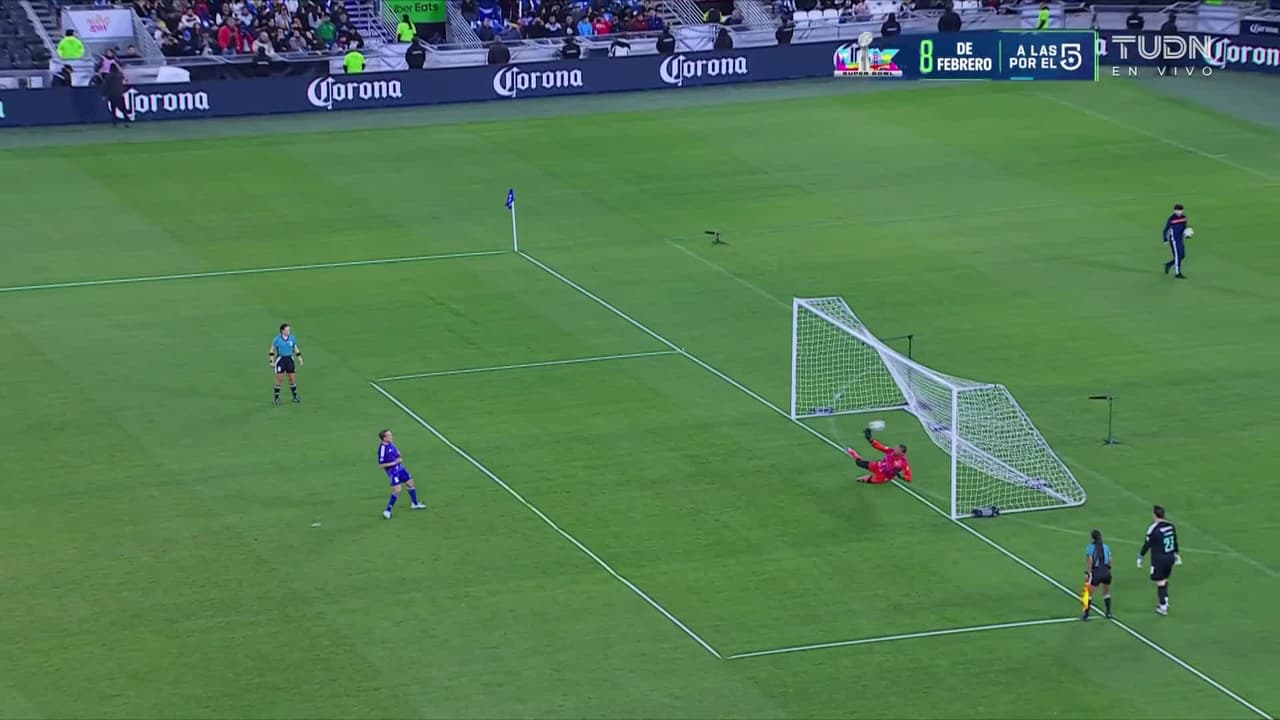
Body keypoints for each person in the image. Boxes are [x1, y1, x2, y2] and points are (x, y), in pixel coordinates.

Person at [1137, 505, 1181, 616]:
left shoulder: (1154, 529)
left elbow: (1147, 544)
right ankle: (1165, 601)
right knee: (1164, 579)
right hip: (1170, 557)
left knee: (1160, 582)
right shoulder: (1171, 526)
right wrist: (1176, 554)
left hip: (1159, 560)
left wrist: (1141, 556)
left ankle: (1163, 607)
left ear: (1154, 515)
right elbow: (1175, 541)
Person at [377, 429, 427, 519]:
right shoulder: (382, 449)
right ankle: (388, 511)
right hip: (393, 472)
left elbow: (398, 454)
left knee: (411, 483)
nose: (391, 436)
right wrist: (393, 463)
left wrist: (399, 458)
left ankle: (415, 504)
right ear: (384, 438)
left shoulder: (391, 444)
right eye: (389, 435)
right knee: (397, 490)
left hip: (400, 468)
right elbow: (381, 465)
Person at [846, 426, 912, 484]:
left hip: (884, 476)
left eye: (897, 450)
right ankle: (854, 453)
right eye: (896, 448)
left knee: (866, 481)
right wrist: (870, 439)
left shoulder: (903, 462)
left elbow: (909, 477)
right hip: (879, 466)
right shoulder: (891, 451)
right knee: (859, 463)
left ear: (902, 453)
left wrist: (902, 477)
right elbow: (880, 446)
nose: (895, 450)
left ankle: (864, 479)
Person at [1082, 529, 1113, 621]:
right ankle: (1108, 612)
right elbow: (1110, 559)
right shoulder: (1105, 546)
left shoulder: (1090, 547)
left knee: (1088, 593)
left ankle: (1086, 615)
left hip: (1096, 572)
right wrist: (1108, 569)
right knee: (1106, 593)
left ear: (1092, 538)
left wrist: (1088, 573)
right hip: (1106, 571)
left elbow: (1090, 560)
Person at [268, 323, 303, 405]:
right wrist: (271, 361)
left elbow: (295, 348)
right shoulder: (277, 339)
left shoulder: (292, 338)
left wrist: (299, 358)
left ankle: (295, 397)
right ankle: (276, 399)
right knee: (279, 379)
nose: (288, 331)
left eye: (289, 330)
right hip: (281, 360)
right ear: (282, 331)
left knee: (292, 378)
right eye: (287, 330)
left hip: (290, 360)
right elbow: (272, 350)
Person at [1162, 203, 1189, 279]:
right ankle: (1177, 273)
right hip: (1174, 240)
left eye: (1180, 210)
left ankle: (1168, 264)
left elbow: (1184, 227)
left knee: (1182, 256)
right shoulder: (1171, 219)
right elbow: (1165, 229)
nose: (1179, 212)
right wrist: (1165, 239)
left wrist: (1187, 234)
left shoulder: (1184, 218)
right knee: (1177, 256)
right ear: (1174, 211)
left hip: (1180, 239)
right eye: (1177, 210)